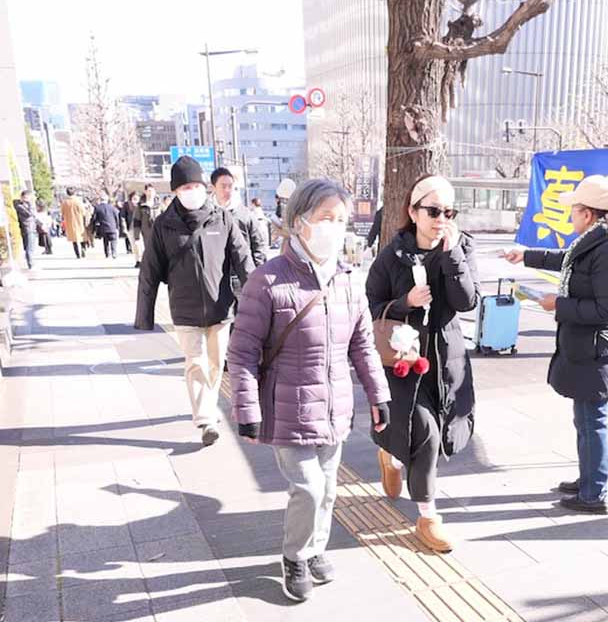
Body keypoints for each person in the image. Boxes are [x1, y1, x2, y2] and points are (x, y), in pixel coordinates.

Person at [228, 178, 392, 604]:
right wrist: (245, 408)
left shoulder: (349, 279)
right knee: (309, 488)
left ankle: (316, 548)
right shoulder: (267, 281)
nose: (335, 228)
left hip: (335, 409)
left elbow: (363, 345)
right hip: (286, 410)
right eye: (325, 219)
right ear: (298, 222)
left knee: (330, 488)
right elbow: (242, 352)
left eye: (341, 220)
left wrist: (379, 394)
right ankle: (295, 557)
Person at [504, 175, 608, 515]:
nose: (570, 216)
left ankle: (594, 493)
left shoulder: (607, 249)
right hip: (590, 351)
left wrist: (558, 304)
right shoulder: (595, 242)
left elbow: (607, 308)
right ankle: (588, 479)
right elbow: (566, 260)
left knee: (592, 421)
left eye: (574, 209)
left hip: (597, 353)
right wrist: (525, 256)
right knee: (584, 419)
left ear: (588, 213)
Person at [365, 174, 479, 553]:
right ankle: (428, 516)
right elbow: (372, 307)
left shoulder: (460, 248)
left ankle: (392, 457)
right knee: (426, 433)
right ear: (412, 212)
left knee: (435, 430)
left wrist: (452, 257)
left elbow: (466, 301)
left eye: (449, 211)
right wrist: (404, 304)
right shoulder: (390, 256)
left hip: (446, 361)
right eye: (432, 210)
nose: (440, 218)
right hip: (403, 360)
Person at [134, 156, 252, 446]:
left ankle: (207, 408)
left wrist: (260, 300)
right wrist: (144, 316)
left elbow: (243, 260)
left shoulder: (222, 219)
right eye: (185, 186)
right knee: (195, 362)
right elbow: (149, 271)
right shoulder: (164, 225)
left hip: (220, 308)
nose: (191, 190)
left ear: (204, 187)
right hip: (184, 311)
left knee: (215, 363)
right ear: (175, 191)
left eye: (195, 185)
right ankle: (205, 420)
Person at [211, 167, 268, 273]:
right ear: (213, 187)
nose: (227, 190)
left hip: (242, 277)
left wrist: (257, 272)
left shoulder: (245, 215)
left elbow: (259, 244)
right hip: (215, 278)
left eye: (230, 186)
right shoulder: (207, 214)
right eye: (223, 186)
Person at [92, 191, 122, 259]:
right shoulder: (112, 207)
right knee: (113, 240)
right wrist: (117, 226)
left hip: (103, 227)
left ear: (100, 200)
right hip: (112, 227)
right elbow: (117, 216)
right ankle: (114, 253)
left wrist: (94, 228)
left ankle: (107, 254)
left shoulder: (97, 208)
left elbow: (95, 218)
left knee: (105, 241)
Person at [61, 187, 88, 259]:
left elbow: (62, 213)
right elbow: (83, 212)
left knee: (74, 239)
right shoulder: (78, 201)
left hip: (70, 222)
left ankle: (77, 254)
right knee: (82, 236)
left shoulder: (65, 202)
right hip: (79, 221)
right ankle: (83, 249)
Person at [13, 190, 36, 269]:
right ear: (23, 197)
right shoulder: (20, 206)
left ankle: (31, 263)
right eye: (27, 197)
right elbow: (30, 214)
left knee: (31, 247)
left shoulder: (25, 205)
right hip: (27, 228)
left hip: (31, 228)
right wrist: (29, 203)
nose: (29, 199)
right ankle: (30, 264)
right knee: (29, 248)